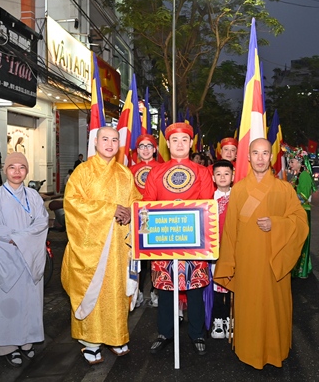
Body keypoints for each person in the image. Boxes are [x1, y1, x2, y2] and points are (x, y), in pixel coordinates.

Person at [214, 138, 309, 369]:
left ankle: (275, 350)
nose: (260, 158)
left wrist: (276, 224)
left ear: (271, 157)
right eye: (255, 153)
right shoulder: (238, 190)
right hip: (246, 261)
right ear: (248, 157)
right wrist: (228, 263)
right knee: (249, 307)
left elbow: (300, 222)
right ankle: (248, 350)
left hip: (274, 260)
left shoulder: (284, 189)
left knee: (273, 307)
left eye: (265, 153)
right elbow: (230, 231)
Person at [61, 127, 142, 365]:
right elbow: (72, 203)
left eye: (114, 140)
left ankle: (116, 337)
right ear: (95, 142)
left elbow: (136, 201)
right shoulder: (83, 171)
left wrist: (131, 214)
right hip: (92, 247)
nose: (109, 143)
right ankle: (91, 342)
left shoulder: (124, 173)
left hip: (118, 246)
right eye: (105, 139)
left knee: (117, 291)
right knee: (92, 291)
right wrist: (109, 210)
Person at [143, 122, 214, 357]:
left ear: (191, 143)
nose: (180, 144)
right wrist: (145, 240)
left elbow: (207, 205)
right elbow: (146, 206)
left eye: (184, 140)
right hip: (163, 240)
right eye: (175, 140)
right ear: (168, 144)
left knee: (195, 291)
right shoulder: (156, 172)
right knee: (165, 290)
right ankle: (165, 333)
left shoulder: (202, 172)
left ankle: (197, 333)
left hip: (194, 241)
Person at [0, 152, 49, 367]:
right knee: (7, 305)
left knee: (29, 302)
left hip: (30, 257)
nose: (17, 172)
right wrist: (20, 238)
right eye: (12, 167)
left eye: (21, 167)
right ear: (5, 170)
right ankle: (7, 346)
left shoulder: (33, 196)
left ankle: (27, 341)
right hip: (5, 256)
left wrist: (22, 239)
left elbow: (42, 222)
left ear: (27, 171)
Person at [129, 134, 160, 308]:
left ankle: (156, 290)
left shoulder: (163, 169)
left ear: (155, 149)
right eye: (142, 146)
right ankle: (137, 291)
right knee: (137, 257)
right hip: (137, 217)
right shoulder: (130, 171)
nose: (146, 149)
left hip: (156, 217)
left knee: (156, 257)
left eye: (149, 146)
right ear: (138, 151)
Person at [210, 160, 234, 340]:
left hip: (235, 250)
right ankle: (218, 320)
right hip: (215, 250)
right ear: (213, 178)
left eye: (226, 174)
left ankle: (233, 319)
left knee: (235, 285)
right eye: (218, 174)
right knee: (218, 284)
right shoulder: (208, 200)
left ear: (233, 176)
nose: (223, 177)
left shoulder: (239, 198)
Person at [286, 149, 315, 279]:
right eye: (290, 162)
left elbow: (303, 196)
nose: (290, 164)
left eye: (292, 161)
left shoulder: (304, 175)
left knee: (302, 240)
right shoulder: (296, 175)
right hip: (295, 211)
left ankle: (302, 269)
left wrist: (288, 198)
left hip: (302, 211)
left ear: (300, 162)